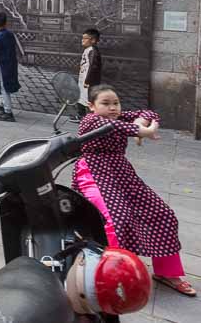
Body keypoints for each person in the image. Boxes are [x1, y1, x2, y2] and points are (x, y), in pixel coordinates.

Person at [73, 85, 195, 297]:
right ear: (91, 106)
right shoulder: (91, 120)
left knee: (163, 214)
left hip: (121, 173)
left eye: (116, 103)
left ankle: (167, 273)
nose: (112, 107)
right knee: (116, 220)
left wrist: (141, 121)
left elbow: (149, 113)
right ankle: (112, 277)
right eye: (105, 103)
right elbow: (115, 127)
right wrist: (143, 130)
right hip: (94, 173)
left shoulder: (118, 117)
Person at [0, 12, 21, 122]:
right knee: (2, 85)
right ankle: (2, 105)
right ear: (6, 22)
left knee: (3, 86)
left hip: (2, 64)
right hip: (11, 63)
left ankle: (8, 112)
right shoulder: (10, 34)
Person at [74, 28, 103, 122]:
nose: (82, 40)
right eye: (82, 38)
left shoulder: (93, 51)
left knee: (88, 99)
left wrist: (88, 81)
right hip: (83, 79)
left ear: (93, 40)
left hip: (89, 81)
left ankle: (91, 119)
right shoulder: (88, 50)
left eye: (85, 38)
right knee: (81, 97)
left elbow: (93, 67)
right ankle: (80, 116)